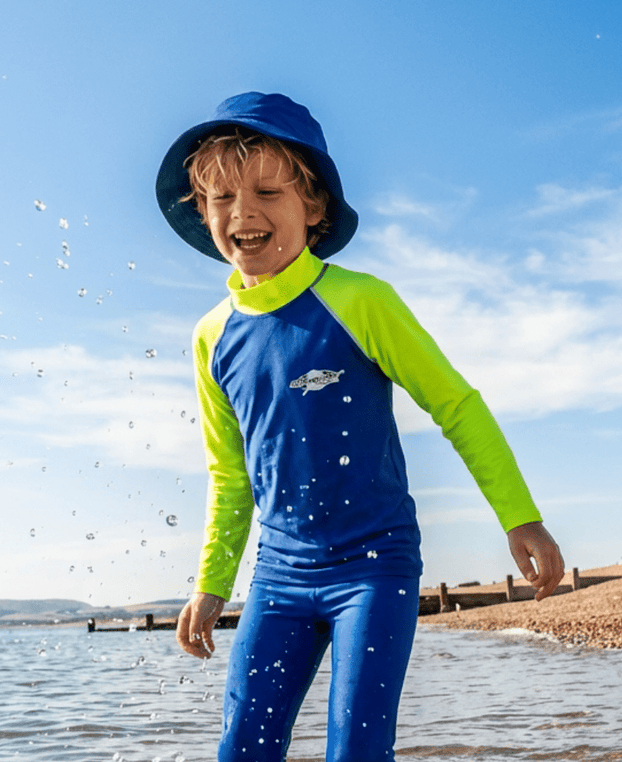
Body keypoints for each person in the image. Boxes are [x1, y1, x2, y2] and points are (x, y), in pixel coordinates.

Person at [155, 92, 564, 762]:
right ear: (202, 213)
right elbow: (230, 473)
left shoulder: (360, 300)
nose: (244, 214)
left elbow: (454, 404)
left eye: (266, 192)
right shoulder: (210, 337)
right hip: (279, 575)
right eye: (222, 198)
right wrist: (211, 583)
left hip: (374, 567)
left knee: (358, 748)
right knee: (243, 747)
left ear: (313, 208)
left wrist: (519, 516)